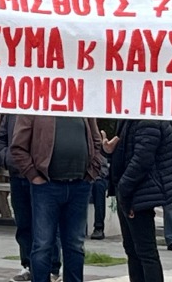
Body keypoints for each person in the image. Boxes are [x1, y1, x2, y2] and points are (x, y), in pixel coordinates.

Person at [11, 114, 103, 282]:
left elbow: (97, 142)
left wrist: (92, 171)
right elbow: (18, 147)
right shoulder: (35, 106)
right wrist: (33, 176)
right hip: (46, 186)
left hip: (80, 185)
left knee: (75, 245)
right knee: (42, 245)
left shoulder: (83, 106)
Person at [102, 121, 172, 282]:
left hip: (140, 192)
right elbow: (128, 152)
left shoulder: (148, 120)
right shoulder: (129, 118)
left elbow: (142, 159)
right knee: (132, 250)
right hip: (129, 190)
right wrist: (110, 151)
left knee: (145, 252)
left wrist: (124, 188)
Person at [0, 115, 60, 282]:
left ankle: (52, 268)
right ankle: (28, 265)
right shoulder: (11, 112)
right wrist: (6, 157)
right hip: (17, 175)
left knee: (46, 224)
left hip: (41, 175)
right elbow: (1, 138)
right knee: (23, 223)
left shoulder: (46, 109)